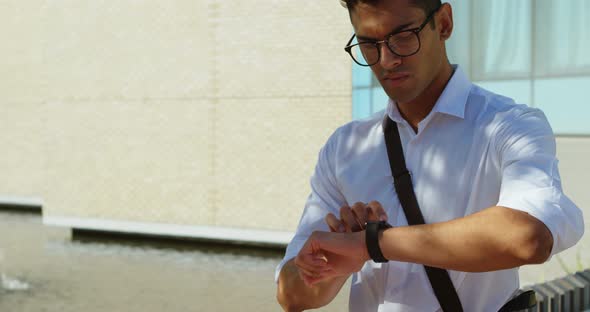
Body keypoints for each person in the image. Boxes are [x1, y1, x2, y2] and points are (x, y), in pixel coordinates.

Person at [275, 0, 585, 311]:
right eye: (369, 44)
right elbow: (291, 297)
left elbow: (528, 236)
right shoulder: (345, 147)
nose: (386, 60)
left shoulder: (508, 125)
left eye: (403, 36)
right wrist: (330, 264)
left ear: (445, 23)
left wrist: (372, 243)